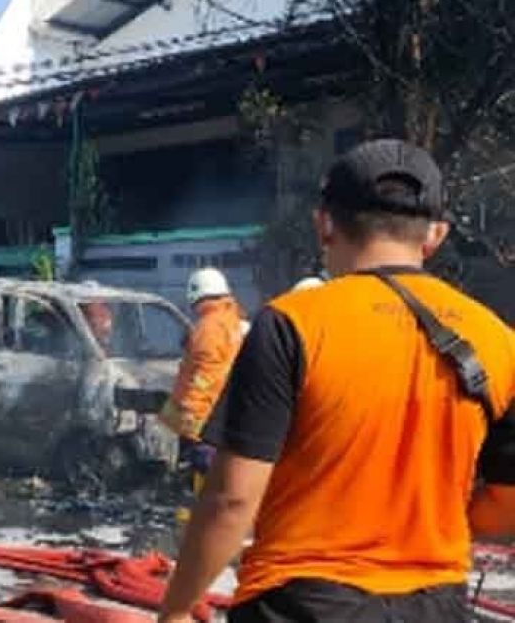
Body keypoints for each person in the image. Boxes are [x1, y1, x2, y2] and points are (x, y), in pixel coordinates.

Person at [158, 140, 515, 623]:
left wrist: (177, 608)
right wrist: (424, 520)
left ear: (324, 223)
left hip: (300, 603)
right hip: (436, 605)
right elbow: (505, 505)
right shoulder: (497, 340)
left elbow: (232, 498)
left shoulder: (291, 324)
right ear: (435, 235)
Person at [160, 267, 246, 497]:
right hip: (219, 411)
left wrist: (190, 417)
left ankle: (200, 514)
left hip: (204, 416)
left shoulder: (210, 327)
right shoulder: (230, 319)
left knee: (203, 465)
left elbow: (206, 374)